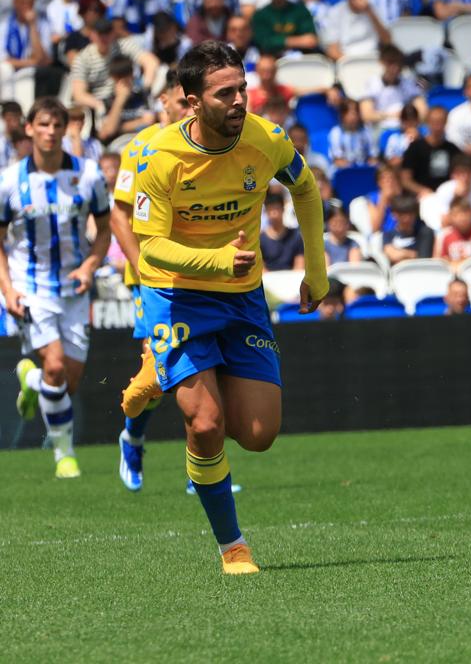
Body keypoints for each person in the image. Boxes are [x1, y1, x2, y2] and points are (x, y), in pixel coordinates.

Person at [119, 41, 329, 574]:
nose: (240, 100)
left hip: (243, 298)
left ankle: (164, 377)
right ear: (191, 102)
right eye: (226, 92)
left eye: (243, 88)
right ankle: (232, 546)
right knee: (206, 424)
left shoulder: (265, 138)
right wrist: (215, 262)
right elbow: (151, 247)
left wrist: (316, 270)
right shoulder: (158, 156)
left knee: (258, 435)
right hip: (174, 295)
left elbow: (305, 190)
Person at [2, 98, 111, 479]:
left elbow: (105, 228)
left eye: (56, 125)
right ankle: (65, 455)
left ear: (66, 130)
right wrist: (8, 289)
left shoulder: (90, 174)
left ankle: (28, 378)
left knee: (68, 379)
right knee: (54, 365)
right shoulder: (9, 180)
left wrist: (90, 264)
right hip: (30, 286)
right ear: (29, 128)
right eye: (43, 125)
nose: (50, 132)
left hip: (74, 286)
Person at [110, 71, 191, 491]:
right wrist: (143, 266)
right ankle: (133, 437)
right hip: (150, 276)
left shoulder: (204, 144)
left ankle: (203, 465)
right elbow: (118, 214)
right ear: (164, 100)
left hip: (196, 272)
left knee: (204, 363)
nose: (187, 111)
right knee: (157, 368)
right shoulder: (139, 147)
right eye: (181, 103)